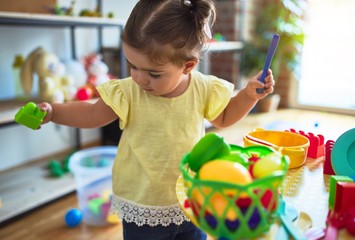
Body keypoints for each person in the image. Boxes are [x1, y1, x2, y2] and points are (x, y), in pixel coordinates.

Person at [38, 0, 275, 239]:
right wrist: (54, 112)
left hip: (190, 198)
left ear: (188, 66)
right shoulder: (129, 91)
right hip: (143, 204)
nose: (140, 78)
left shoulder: (204, 88)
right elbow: (91, 114)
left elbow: (224, 117)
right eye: (132, 66)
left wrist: (247, 95)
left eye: (153, 73)